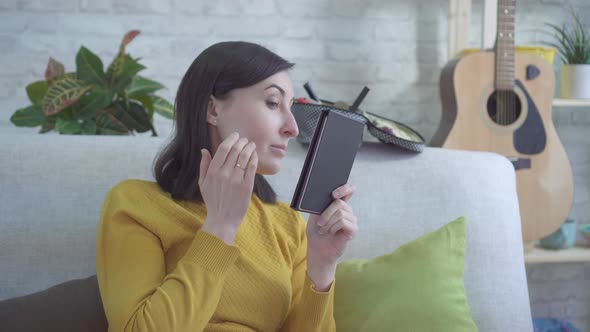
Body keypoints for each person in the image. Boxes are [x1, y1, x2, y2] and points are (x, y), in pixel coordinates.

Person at [96, 41, 359, 332]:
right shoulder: (135, 204)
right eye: (273, 103)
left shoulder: (288, 225)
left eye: (290, 107)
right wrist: (220, 226)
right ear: (212, 109)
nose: (293, 128)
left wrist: (321, 265)